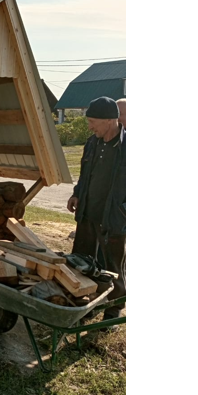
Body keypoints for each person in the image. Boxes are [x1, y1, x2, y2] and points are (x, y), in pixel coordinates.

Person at [66, 97, 126, 321]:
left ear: (110, 120)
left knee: (113, 268)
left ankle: (113, 313)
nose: (89, 126)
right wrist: (76, 193)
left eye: (93, 121)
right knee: (80, 262)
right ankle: (83, 307)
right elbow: (84, 174)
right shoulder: (92, 142)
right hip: (87, 214)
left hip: (114, 218)